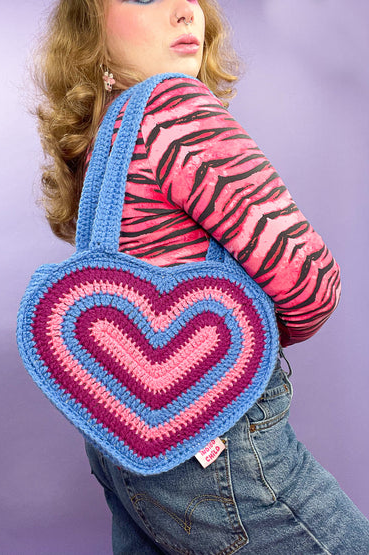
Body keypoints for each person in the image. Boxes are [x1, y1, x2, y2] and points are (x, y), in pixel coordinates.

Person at [32, 0, 369, 553]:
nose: (185, 11)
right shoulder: (175, 108)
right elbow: (310, 282)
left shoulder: (112, 132)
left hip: (121, 438)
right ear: (90, 34)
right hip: (218, 439)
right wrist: (230, 342)